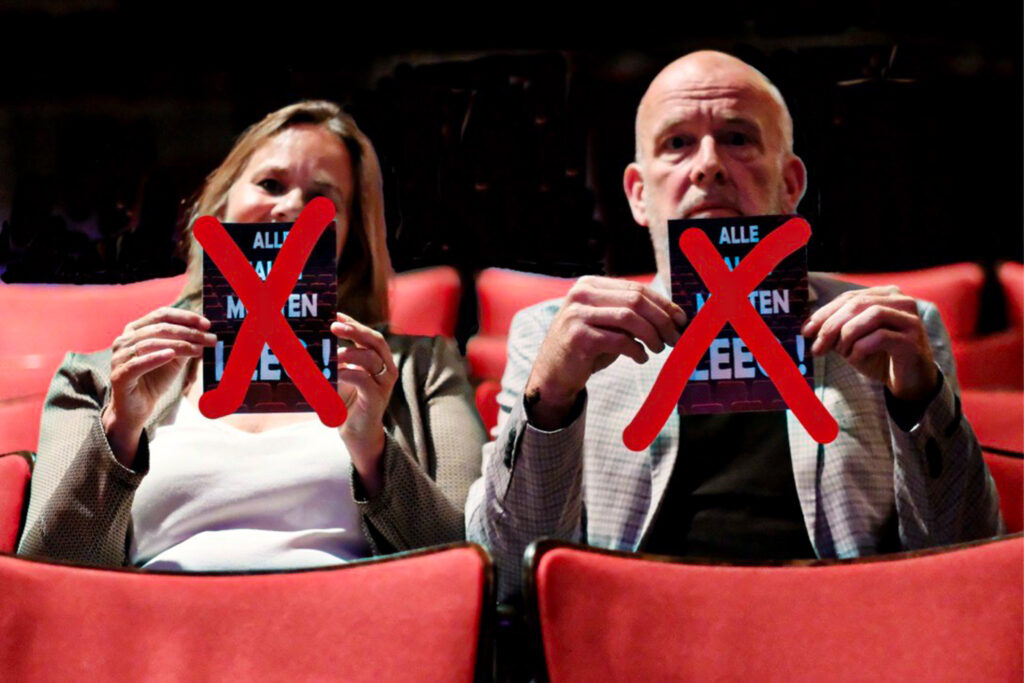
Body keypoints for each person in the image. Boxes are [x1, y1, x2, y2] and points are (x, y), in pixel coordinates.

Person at [467, 51, 1003, 599]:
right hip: (638, 627)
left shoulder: (897, 332)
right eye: (677, 143)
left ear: (791, 184)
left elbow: (964, 557)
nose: (708, 165)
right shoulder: (554, 335)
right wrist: (550, 402)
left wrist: (920, 399)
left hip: (837, 622)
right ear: (638, 194)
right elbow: (506, 571)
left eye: (738, 138)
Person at [19, 101, 485, 569]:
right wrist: (120, 430)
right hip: (157, 613)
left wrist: (373, 451)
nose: (292, 208)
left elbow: (463, 567)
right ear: (220, 206)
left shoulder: (423, 370)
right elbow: (44, 575)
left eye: (322, 199)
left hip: (344, 612)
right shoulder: (95, 380)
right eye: (270, 184)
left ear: (350, 239)